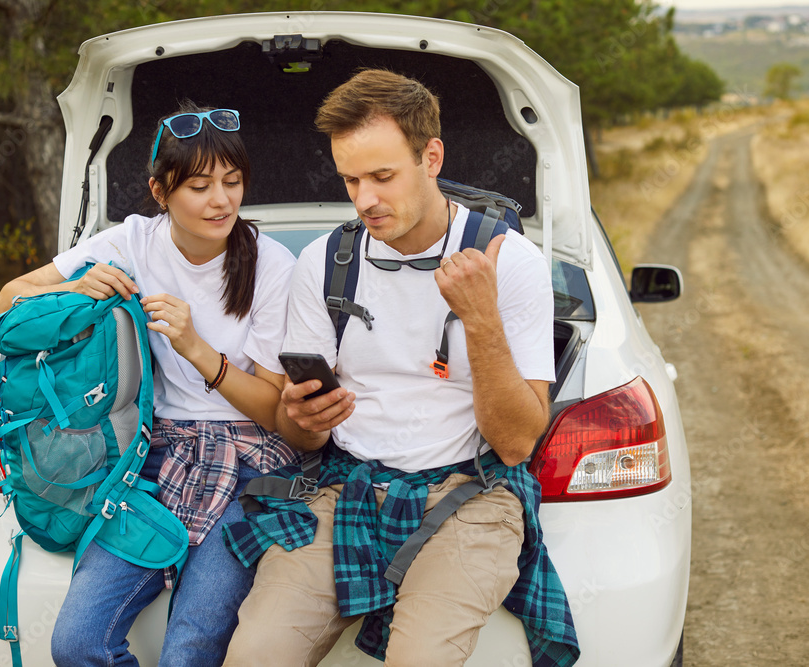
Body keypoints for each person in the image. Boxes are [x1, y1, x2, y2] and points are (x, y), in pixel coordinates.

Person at [222, 70, 580, 666]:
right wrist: (303, 420)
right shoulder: (325, 262)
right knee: (255, 655)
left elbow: (517, 443)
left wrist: (480, 319)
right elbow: (301, 435)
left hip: (471, 495)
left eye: (382, 177)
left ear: (431, 157)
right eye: (351, 179)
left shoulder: (508, 261)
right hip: (346, 490)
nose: (364, 199)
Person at [0, 102, 299, 666]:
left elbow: (273, 408)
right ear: (160, 191)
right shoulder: (130, 240)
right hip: (151, 460)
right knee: (77, 643)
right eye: (200, 186)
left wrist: (197, 349)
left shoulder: (272, 265)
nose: (221, 200)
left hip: (250, 466)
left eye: (232, 182)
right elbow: (4, 302)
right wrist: (72, 290)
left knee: (189, 651)